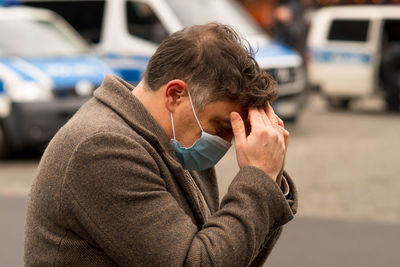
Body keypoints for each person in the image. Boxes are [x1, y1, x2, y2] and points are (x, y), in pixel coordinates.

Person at [25, 23, 297, 266]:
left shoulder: (174, 141)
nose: (230, 142)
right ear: (176, 95)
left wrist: (269, 183)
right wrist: (258, 179)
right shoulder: (102, 147)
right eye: (222, 125)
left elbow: (231, 256)